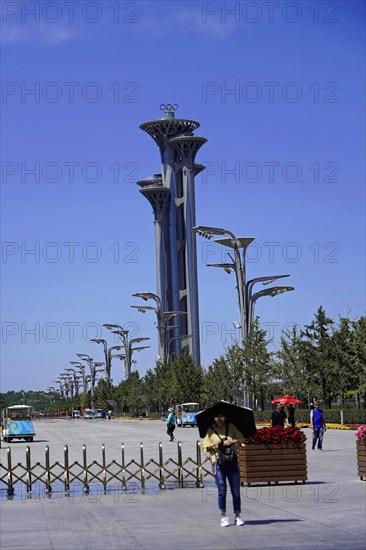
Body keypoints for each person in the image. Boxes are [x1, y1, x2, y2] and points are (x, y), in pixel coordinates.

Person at [202, 412, 245, 527]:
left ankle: (237, 516)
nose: (219, 419)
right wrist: (213, 445)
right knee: (221, 491)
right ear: (214, 418)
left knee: (236, 491)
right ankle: (223, 516)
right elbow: (204, 446)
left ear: (225, 417)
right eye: (217, 416)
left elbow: (242, 438)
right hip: (218, 463)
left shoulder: (231, 427)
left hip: (232, 462)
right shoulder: (210, 430)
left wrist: (232, 441)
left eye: (221, 416)